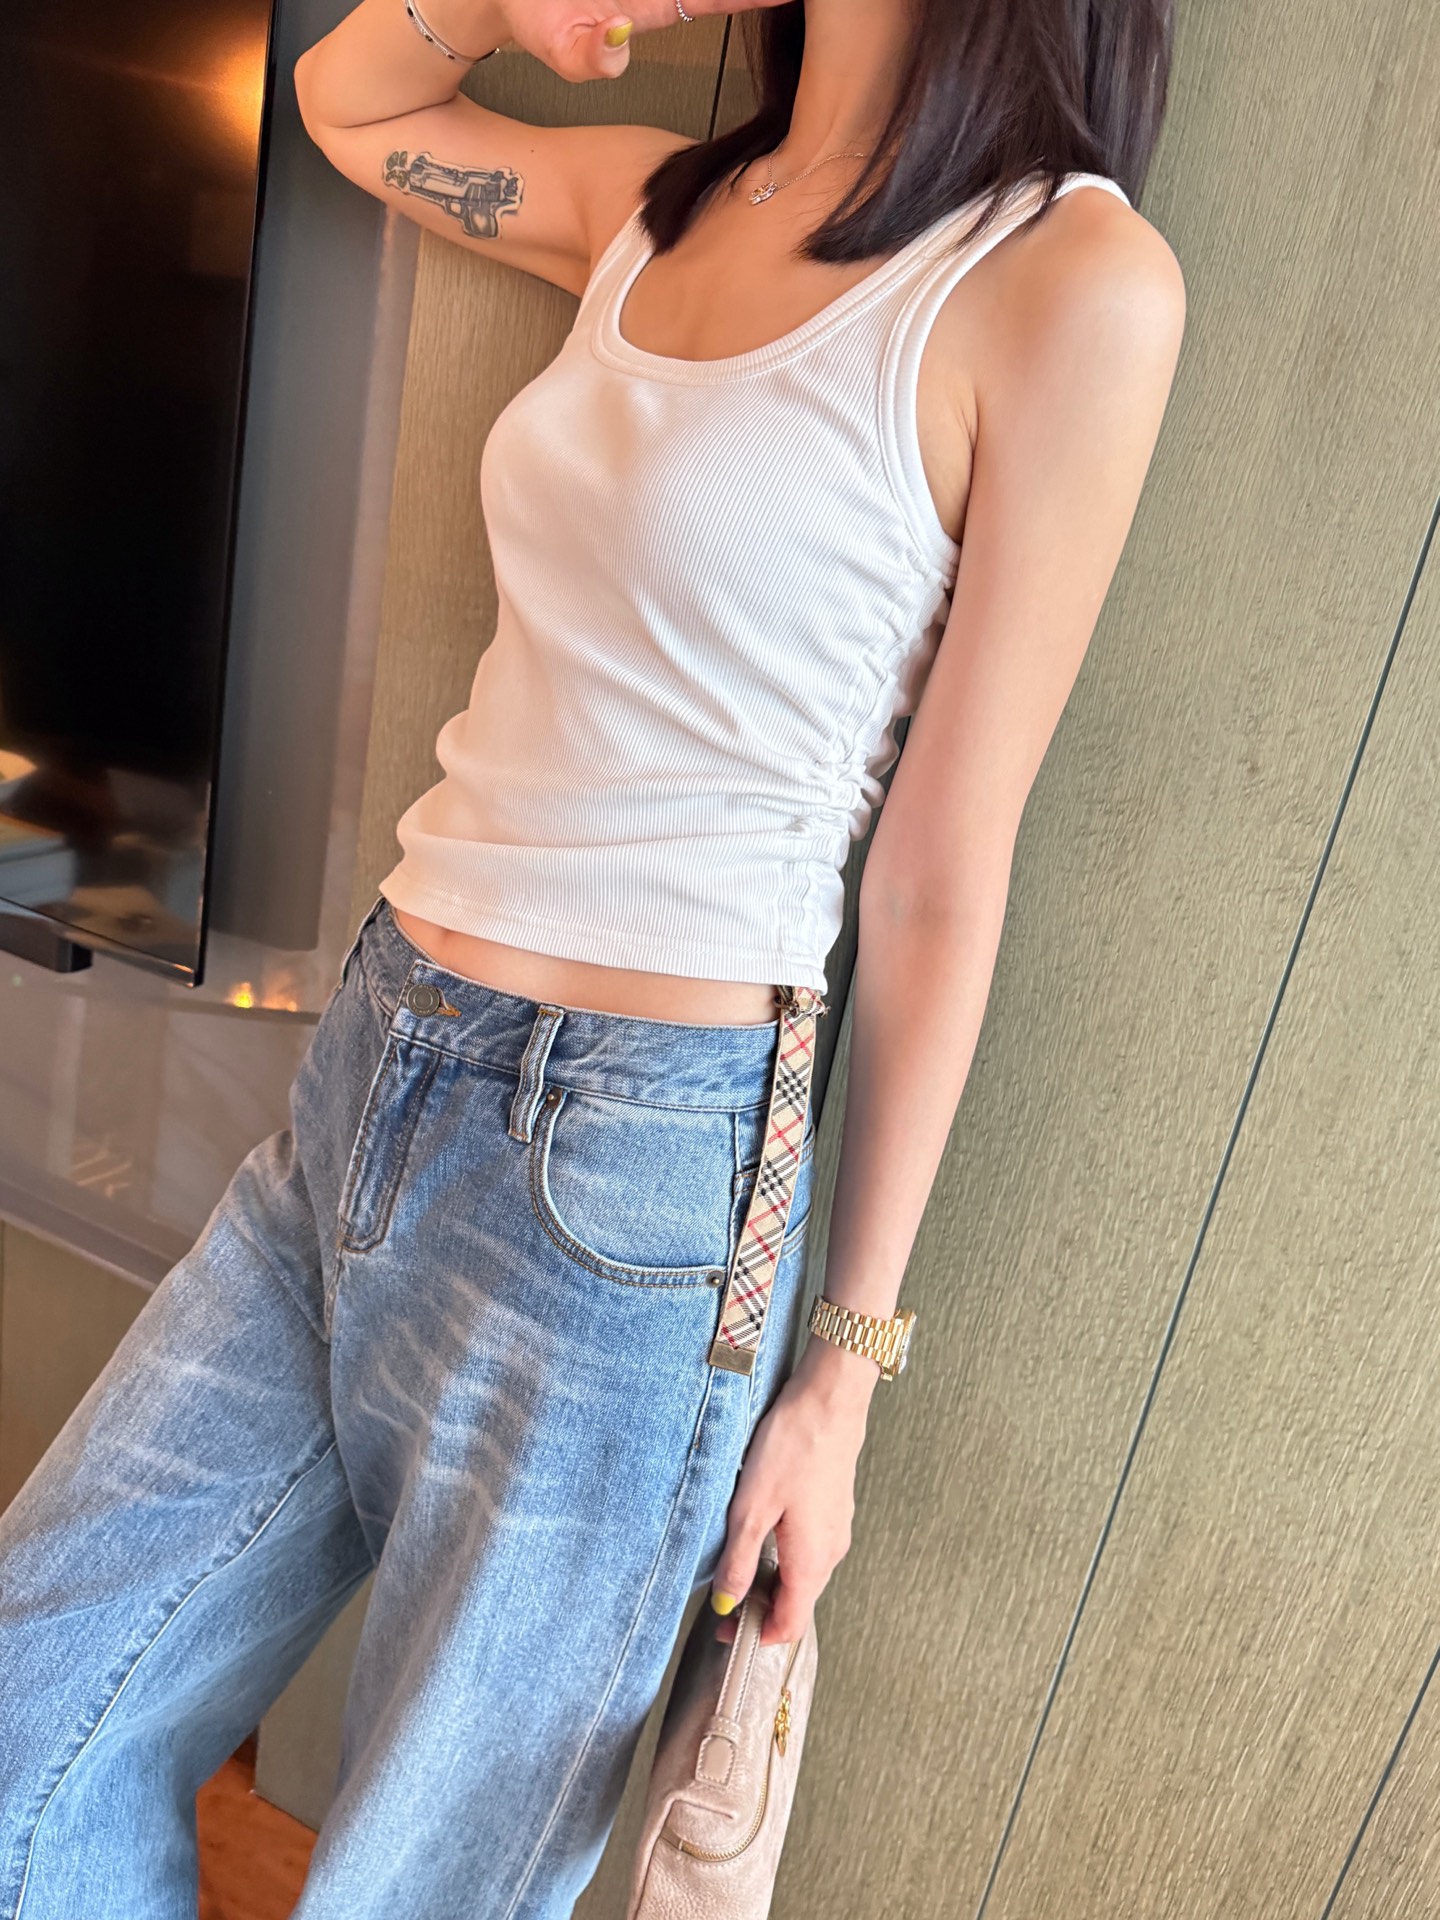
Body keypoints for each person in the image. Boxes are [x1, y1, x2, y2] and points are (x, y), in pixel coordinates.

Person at [0, 1, 1185, 1913]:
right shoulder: (657, 203)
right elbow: (348, 98)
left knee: (420, 1886)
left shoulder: (1068, 280)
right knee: (28, 1726)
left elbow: (944, 871)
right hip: (377, 1067)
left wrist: (842, 1375)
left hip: (637, 1184)